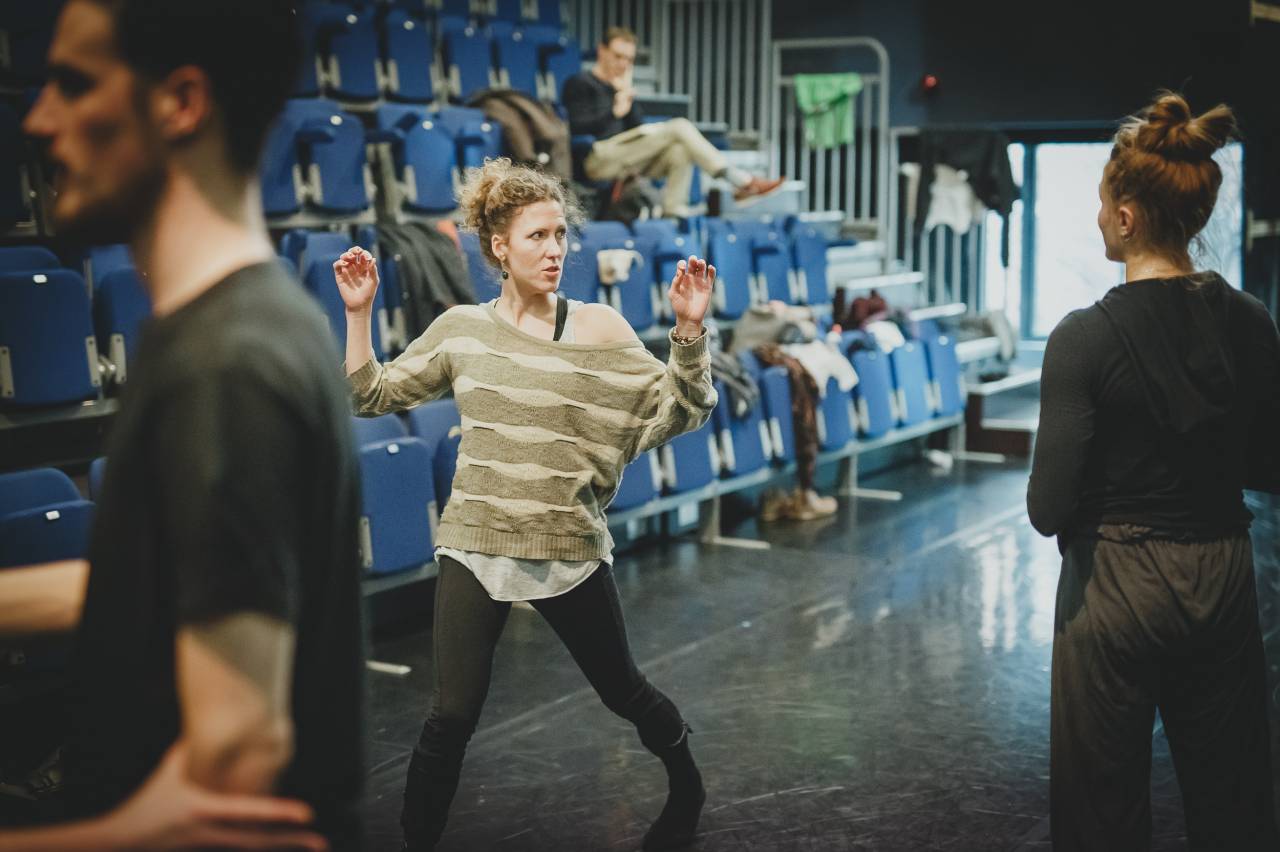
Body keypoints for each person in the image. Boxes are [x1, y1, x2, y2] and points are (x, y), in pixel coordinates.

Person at [1, 0, 365, 847]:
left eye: (73, 83)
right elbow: (169, 577)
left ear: (181, 101)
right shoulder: (254, 322)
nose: (37, 117)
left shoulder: (227, 364)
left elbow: (234, 761)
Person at [336, 158, 717, 851]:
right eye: (537, 236)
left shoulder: (599, 330)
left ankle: (687, 783)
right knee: (449, 717)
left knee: (622, 692)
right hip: (475, 540)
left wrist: (687, 336)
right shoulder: (462, 330)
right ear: (497, 248)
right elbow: (372, 394)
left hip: (564, 543)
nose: (554, 250)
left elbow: (680, 409)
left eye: (559, 236)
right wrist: (359, 314)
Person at [1027, 92, 1280, 851]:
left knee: (1101, 809)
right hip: (1223, 574)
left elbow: (1047, 507)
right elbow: (1268, 462)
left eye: (1104, 204)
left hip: (1115, 584)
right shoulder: (1252, 321)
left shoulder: (1082, 339)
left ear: (1129, 217)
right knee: (1233, 800)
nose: (1100, 218)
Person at [563, 26, 784, 218]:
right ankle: (742, 182)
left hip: (629, 158)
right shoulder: (580, 82)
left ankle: (673, 215)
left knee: (680, 150)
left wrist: (625, 98)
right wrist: (614, 111)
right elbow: (576, 127)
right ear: (602, 50)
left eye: (629, 59)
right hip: (597, 158)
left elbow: (637, 128)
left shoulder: (620, 87)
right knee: (679, 126)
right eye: (618, 56)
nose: (623, 64)